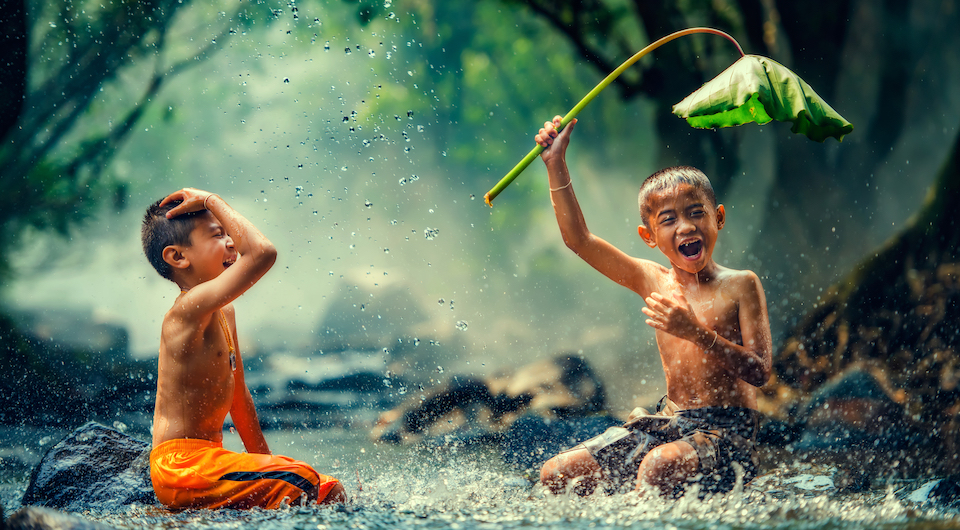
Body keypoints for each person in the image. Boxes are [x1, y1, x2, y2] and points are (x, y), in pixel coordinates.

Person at [533, 116, 773, 497]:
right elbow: (579, 240)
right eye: (669, 219)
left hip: (729, 432)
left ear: (718, 218)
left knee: (657, 466)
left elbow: (760, 372)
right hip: (671, 422)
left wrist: (696, 333)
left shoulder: (741, 285)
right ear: (649, 236)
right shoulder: (653, 281)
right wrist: (555, 163)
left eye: (696, 212)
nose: (686, 227)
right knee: (558, 472)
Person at [141, 188, 346, 509]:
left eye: (229, 233)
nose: (232, 243)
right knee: (304, 482)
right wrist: (211, 200)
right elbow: (262, 253)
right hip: (181, 467)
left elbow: (239, 398)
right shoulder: (187, 310)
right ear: (178, 257)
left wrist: (265, 462)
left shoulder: (225, 312)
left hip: (210, 461)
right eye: (217, 234)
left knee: (327, 488)